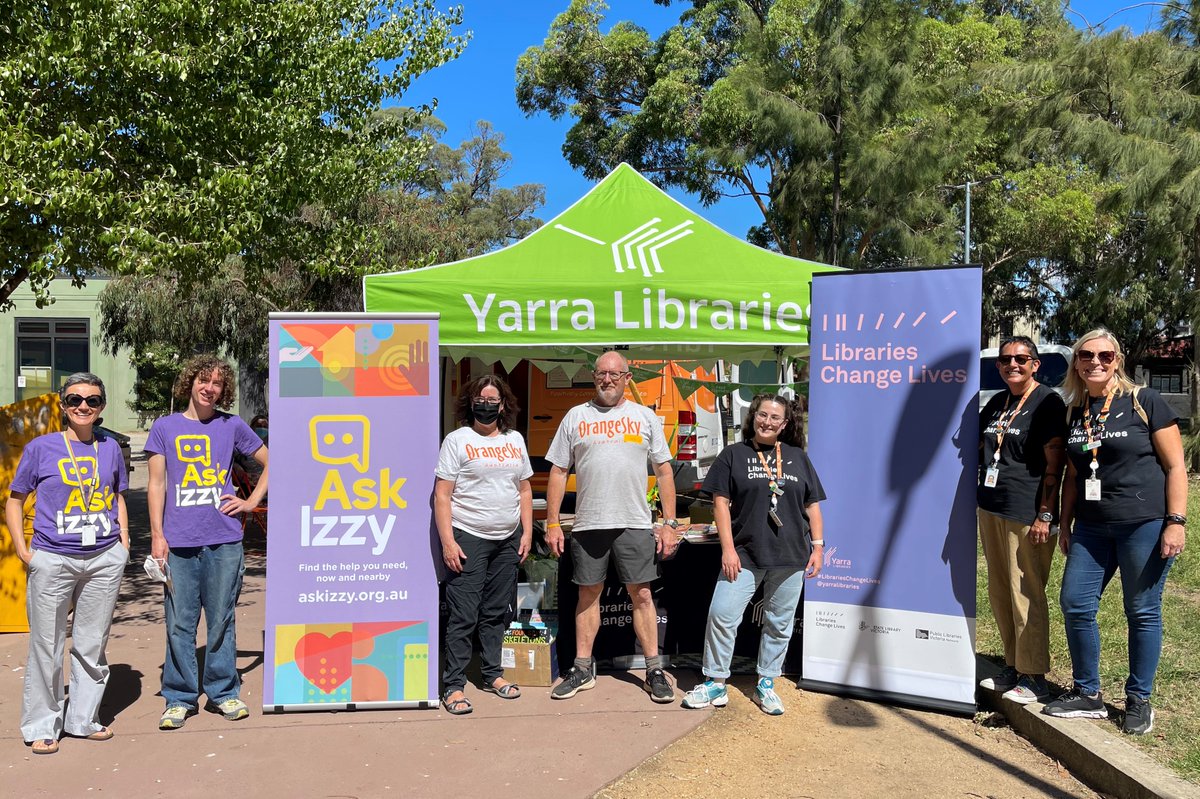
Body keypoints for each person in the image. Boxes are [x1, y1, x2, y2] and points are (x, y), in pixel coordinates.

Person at [1042, 329, 1186, 735]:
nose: (1095, 362)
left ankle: (1140, 700)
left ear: (1117, 359)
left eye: (1105, 355)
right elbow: (1073, 475)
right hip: (1091, 527)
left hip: (1144, 523)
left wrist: (1176, 522)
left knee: (1141, 611)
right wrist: (1064, 522)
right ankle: (1088, 693)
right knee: (1074, 603)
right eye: (1086, 355)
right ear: (1076, 362)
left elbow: (1176, 466)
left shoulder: (1144, 401)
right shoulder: (1075, 410)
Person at [5, 374, 130, 754]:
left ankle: (83, 718)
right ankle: (42, 723)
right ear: (63, 404)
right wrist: (25, 552)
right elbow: (15, 500)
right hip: (54, 556)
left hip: (103, 558)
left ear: (102, 408)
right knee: (47, 643)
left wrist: (122, 543)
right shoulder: (42, 448)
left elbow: (117, 495)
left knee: (92, 642)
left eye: (92, 401)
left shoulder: (109, 448)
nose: (83, 407)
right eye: (75, 399)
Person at [545, 351, 679, 703]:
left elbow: (664, 471)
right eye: (601, 373)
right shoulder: (576, 416)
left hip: (635, 521)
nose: (607, 379)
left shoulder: (644, 417)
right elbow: (559, 471)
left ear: (627, 378)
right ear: (594, 377)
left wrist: (668, 523)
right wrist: (552, 522)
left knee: (643, 595)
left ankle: (653, 670)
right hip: (590, 523)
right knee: (588, 595)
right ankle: (582, 668)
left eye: (614, 374)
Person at [681, 394, 825, 715]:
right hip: (744, 553)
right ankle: (716, 681)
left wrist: (818, 546)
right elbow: (720, 503)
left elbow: (811, 505)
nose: (768, 422)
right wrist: (728, 549)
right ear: (753, 416)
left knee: (779, 622)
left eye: (775, 418)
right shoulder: (733, 454)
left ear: (785, 424)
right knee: (722, 614)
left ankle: (767, 681)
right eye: (763, 415)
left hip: (791, 554)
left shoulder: (797, 458)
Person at [146, 355, 268, 730]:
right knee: (180, 623)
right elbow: (157, 484)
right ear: (190, 382)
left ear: (223, 389)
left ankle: (222, 691)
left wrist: (251, 502)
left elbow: (271, 461)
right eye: (203, 379)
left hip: (224, 539)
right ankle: (180, 697)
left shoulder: (231, 425)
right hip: (179, 541)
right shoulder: (164, 427)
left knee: (221, 620)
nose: (209, 387)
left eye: (216, 383)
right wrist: (157, 534)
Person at [435, 375, 534, 715]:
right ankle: (454, 685)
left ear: (503, 405)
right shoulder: (457, 440)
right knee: (463, 614)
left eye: (493, 401)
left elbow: (524, 490)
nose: (486, 405)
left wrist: (527, 532)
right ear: (470, 403)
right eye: (481, 399)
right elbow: (442, 495)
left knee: (495, 613)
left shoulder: (514, 439)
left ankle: (493, 674)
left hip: (507, 540)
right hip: (469, 537)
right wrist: (448, 542)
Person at [976, 337, 1066, 704]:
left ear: (1035, 364)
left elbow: (1055, 464)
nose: (1012, 364)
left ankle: (1034, 676)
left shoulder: (1048, 402)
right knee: (1000, 590)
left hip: (1026, 513)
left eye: (1021, 359)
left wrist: (1046, 514)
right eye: (1005, 360)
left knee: (1025, 591)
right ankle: (1013, 665)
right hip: (990, 507)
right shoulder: (998, 402)